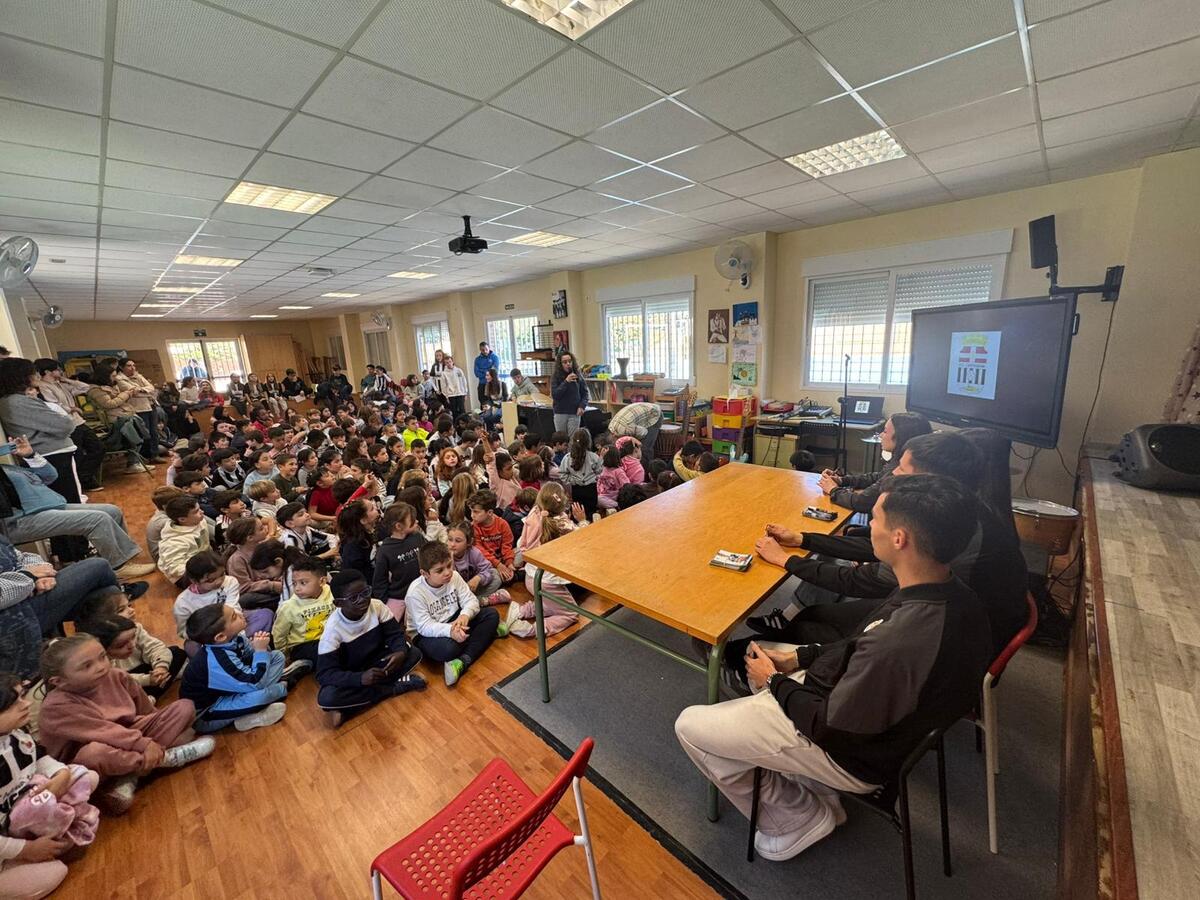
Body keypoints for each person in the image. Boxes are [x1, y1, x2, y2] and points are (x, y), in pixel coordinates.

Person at [674, 475, 993, 862]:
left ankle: (794, 817)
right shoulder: (952, 594)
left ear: (899, 539)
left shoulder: (899, 642)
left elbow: (829, 726)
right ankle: (797, 772)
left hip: (850, 751)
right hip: (864, 713)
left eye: (874, 518)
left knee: (690, 726)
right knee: (764, 649)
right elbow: (858, 646)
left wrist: (775, 682)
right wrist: (800, 658)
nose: (867, 525)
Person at [748, 430, 1027, 656]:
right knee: (814, 615)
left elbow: (859, 580)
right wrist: (803, 539)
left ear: (931, 480)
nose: (892, 476)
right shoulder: (963, 509)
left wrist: (787, 560)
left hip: (954, 644)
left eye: (902, 470)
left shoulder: (951, 527)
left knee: (805, 628)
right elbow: (872, 551)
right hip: (947, 618)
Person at [37, 635, 213, 816]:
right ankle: (164, 759)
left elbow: (146, 711)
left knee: (185, 707)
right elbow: (104, 731)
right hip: (90, 756)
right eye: (87, 666)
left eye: (102, 657)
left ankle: (131, 774)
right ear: (58, 681)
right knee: (94, 752)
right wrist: (146, 745)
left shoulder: (116, 675)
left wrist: (157, 730)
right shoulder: (55, 706)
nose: (101, 667)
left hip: (128, 736)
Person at [0, 435, 155, 577]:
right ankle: (119, 567)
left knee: (112, 511)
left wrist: (30, 455)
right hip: (17, 522)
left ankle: (118, 556)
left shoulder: (8, 468)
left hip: (44, 507)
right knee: (97, 520)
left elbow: (50, 476)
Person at [0, 674, 97, 898]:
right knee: (55, 872)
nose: (25, 704)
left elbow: (38, 759)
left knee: (87, 777)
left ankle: (51, 835)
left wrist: (60, 774)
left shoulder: (15, 733)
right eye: (12, 704)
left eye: (22, 696)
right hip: (7, 837)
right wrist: (27, 850)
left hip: (23, 811)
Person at [0, 529, 128, 682]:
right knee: (99, 566)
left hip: (25, 597)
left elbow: (22, 556)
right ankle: (107, 652)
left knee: (106, 593)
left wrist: (42, 572)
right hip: (12, 616)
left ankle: (104, 658)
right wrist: (29, 577)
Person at [315, 570, 426, 727]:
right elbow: (325, 674)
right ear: (339, 604)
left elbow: (395, 634)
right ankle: (394, 688)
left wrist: (400, 651)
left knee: (413, 653)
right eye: (353, 598)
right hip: (355, 673)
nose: (363, 600)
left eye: (365, 592)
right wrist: (359, 678)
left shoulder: (377, 606)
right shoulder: (332, 631)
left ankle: (351, 708)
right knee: (327, 698)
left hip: (379, 663)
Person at [180, 604, 292, 733]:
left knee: (277, 656)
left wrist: (260, 647)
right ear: (220, 637)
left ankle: (252, 709)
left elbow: (251, 659)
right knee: (271, 692)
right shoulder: (217, 660)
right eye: (234, 617)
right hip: (208, 713)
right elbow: (255, 682)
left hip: (233, 689)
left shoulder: (234, 638)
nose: (240, 614)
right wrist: (260, 651)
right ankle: (278, 689)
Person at [404, 542, 502, 687]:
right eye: (439, 570)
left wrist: (464, 616)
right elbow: (424, 626)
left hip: (454, 619)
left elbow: (470, 600)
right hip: (425, 633)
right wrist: (449, 631)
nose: (447, 572)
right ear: (424, 574)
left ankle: (462, 661)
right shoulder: (415, 593)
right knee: (448, 650)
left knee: (492, 614)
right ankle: (483, 637)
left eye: (449, 565)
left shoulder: (454, 576)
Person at [76, 592, 185, 699]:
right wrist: (147, 680)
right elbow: (112, 679)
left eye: (129, 605)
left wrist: (160, 668)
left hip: (144, 673)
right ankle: (143, 700)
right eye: (121, 610)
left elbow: (154, 647)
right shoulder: (98, 647)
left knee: (176, 652)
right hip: (124, 682)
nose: (131, 645)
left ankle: (146, 696)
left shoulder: (135, 628)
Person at [819, 412, 932, 513]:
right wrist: (843, 480)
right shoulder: (904, 460)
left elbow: (861, 502)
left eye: (885, 431)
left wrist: (833, 490)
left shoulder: (901, 469)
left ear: (900, 437)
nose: (881, 435)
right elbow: (878, 476)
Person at [32, 359, 106, 494]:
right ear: (48, 371)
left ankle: (84, 476)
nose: (60, 371)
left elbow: (85, 387)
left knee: (98, 448)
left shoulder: (60, 383)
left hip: (79, 422)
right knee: (76, 455)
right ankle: (84, 481)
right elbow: (53, 405)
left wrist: (67, 380)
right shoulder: (43, 387)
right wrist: (71, 408)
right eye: (57, 369)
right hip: (67, 424)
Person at [513, 502, 584, 638]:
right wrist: (582, 520)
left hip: (531, 575)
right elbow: (584, 538)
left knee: (552, 601)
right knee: (571, 614)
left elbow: (520, 545)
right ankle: (534, 629)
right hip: (547, 581)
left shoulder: (533, 514)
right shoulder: (563, 524)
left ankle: (521, 611)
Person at [174, 551, 273, 641]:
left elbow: (234, 607)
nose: (219, 581)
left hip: (234, 620)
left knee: (265, 614)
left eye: (222, 574)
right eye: (210, 580)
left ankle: (243, 643)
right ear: (194, 581)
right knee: (191, 647)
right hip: (210, 638)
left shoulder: (230, 581)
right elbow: (184, 632)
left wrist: (238, 631)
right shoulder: (183, 603)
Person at [271, 557, 334, 669]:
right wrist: (284, 657)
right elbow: (279, 634)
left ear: (322, 581)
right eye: (294, 583)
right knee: (322, 651)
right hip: (302, 645)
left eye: (303, 583)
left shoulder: (332, 594)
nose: (297, 589)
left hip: (330, 639)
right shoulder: (288, 607)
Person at [113, 358, 168, 463]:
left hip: (150, 405)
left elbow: (151, 387)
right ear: (121, 367)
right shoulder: (119, 379)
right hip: (137, 409)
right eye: (129, 365)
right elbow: (135, 392)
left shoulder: (138, 376)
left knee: (154, 432)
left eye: (133, 365)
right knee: (144, 433)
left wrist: (143, 390)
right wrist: (144, 390)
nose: (133, 368)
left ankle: (154, 455)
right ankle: (144, 456)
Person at [447, 521, 510, 605]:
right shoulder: (444, 556)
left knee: (495, 575)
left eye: (458, 541)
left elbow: (488, 570)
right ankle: (482, 601)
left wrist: (478, 578)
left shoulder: (474, 552)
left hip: (471, 589)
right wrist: (450, 563)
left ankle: (472, 602)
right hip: (452, 593)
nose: (452, 544)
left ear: (469, 542)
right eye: (450, 539)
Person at [156, 496, 210, 589]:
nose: (202, 512)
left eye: (199, 508)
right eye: (196, 511)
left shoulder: (198, 520)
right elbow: (174, 569)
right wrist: (205, 570)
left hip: (202, 559)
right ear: (182, 519)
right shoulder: (173, 542)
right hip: (187, 574)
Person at [467, 491, 514, 584]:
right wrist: (498, 564)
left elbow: (507, 545)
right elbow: (480, 551)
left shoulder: (502, 524)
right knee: (494, 576)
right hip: (486, 562)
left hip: (501, 559)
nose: (472, 515)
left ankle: (509, 574)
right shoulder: (473, 527)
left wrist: (509, 562)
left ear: (490, 512)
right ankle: (510, 576)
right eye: (471, 511)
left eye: (476, 512)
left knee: (521, 554)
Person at [607, 401, 662, 476]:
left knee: (644, 449)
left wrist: (634, 440)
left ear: (616, 436)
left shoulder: (626, 429)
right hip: (641, 413)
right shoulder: (611, 426)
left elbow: (644, 432)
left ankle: (647, 475)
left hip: (654, 415)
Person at [558, 428, 602, 519]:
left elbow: (562, 474)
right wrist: (594, 478)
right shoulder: (594, 457)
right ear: (588, 441)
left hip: (577, 489)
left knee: (577, 513)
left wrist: (572, 480)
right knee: (591, 513)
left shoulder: (567, 458)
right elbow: (600, 471)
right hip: (590, 489)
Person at [336, 500, 378, 583]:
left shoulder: (369, 532)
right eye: (372, 509)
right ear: (363, 520)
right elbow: (356, 576)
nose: (376, 508)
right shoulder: (352, 547)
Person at [549, 352, 587, 437]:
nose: (568, 364)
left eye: (570, 361)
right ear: (560, 364)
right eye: (565, 362)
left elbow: (585, 393)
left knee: (573, 440)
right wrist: (566, 382)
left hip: (575, 413)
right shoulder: (555, 376)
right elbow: (555, 395)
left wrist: (582, 406)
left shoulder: (578, 375)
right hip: (560, 413)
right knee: (561, 439)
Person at [597, 446, 629, 511]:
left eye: (604, 456)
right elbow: (599, 482)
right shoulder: (604, 469)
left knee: (599, 499)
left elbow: (627, 486)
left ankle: (618, 506)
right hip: (603, 496)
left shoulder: (618, 471)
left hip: (615, 497)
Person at [473, 342, 501, 410]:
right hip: (482, 384)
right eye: (482, 350)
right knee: (483, 403)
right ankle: (484, 419)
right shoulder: (477, 359)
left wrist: (482, 370)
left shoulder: (495, 357)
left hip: (492, 384)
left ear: (489, 348)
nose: (485, 351)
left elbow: (494, 371)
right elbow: (477, 373)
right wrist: (487, 371)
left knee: (494, 403)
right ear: (480, 350)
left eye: (486, 349)